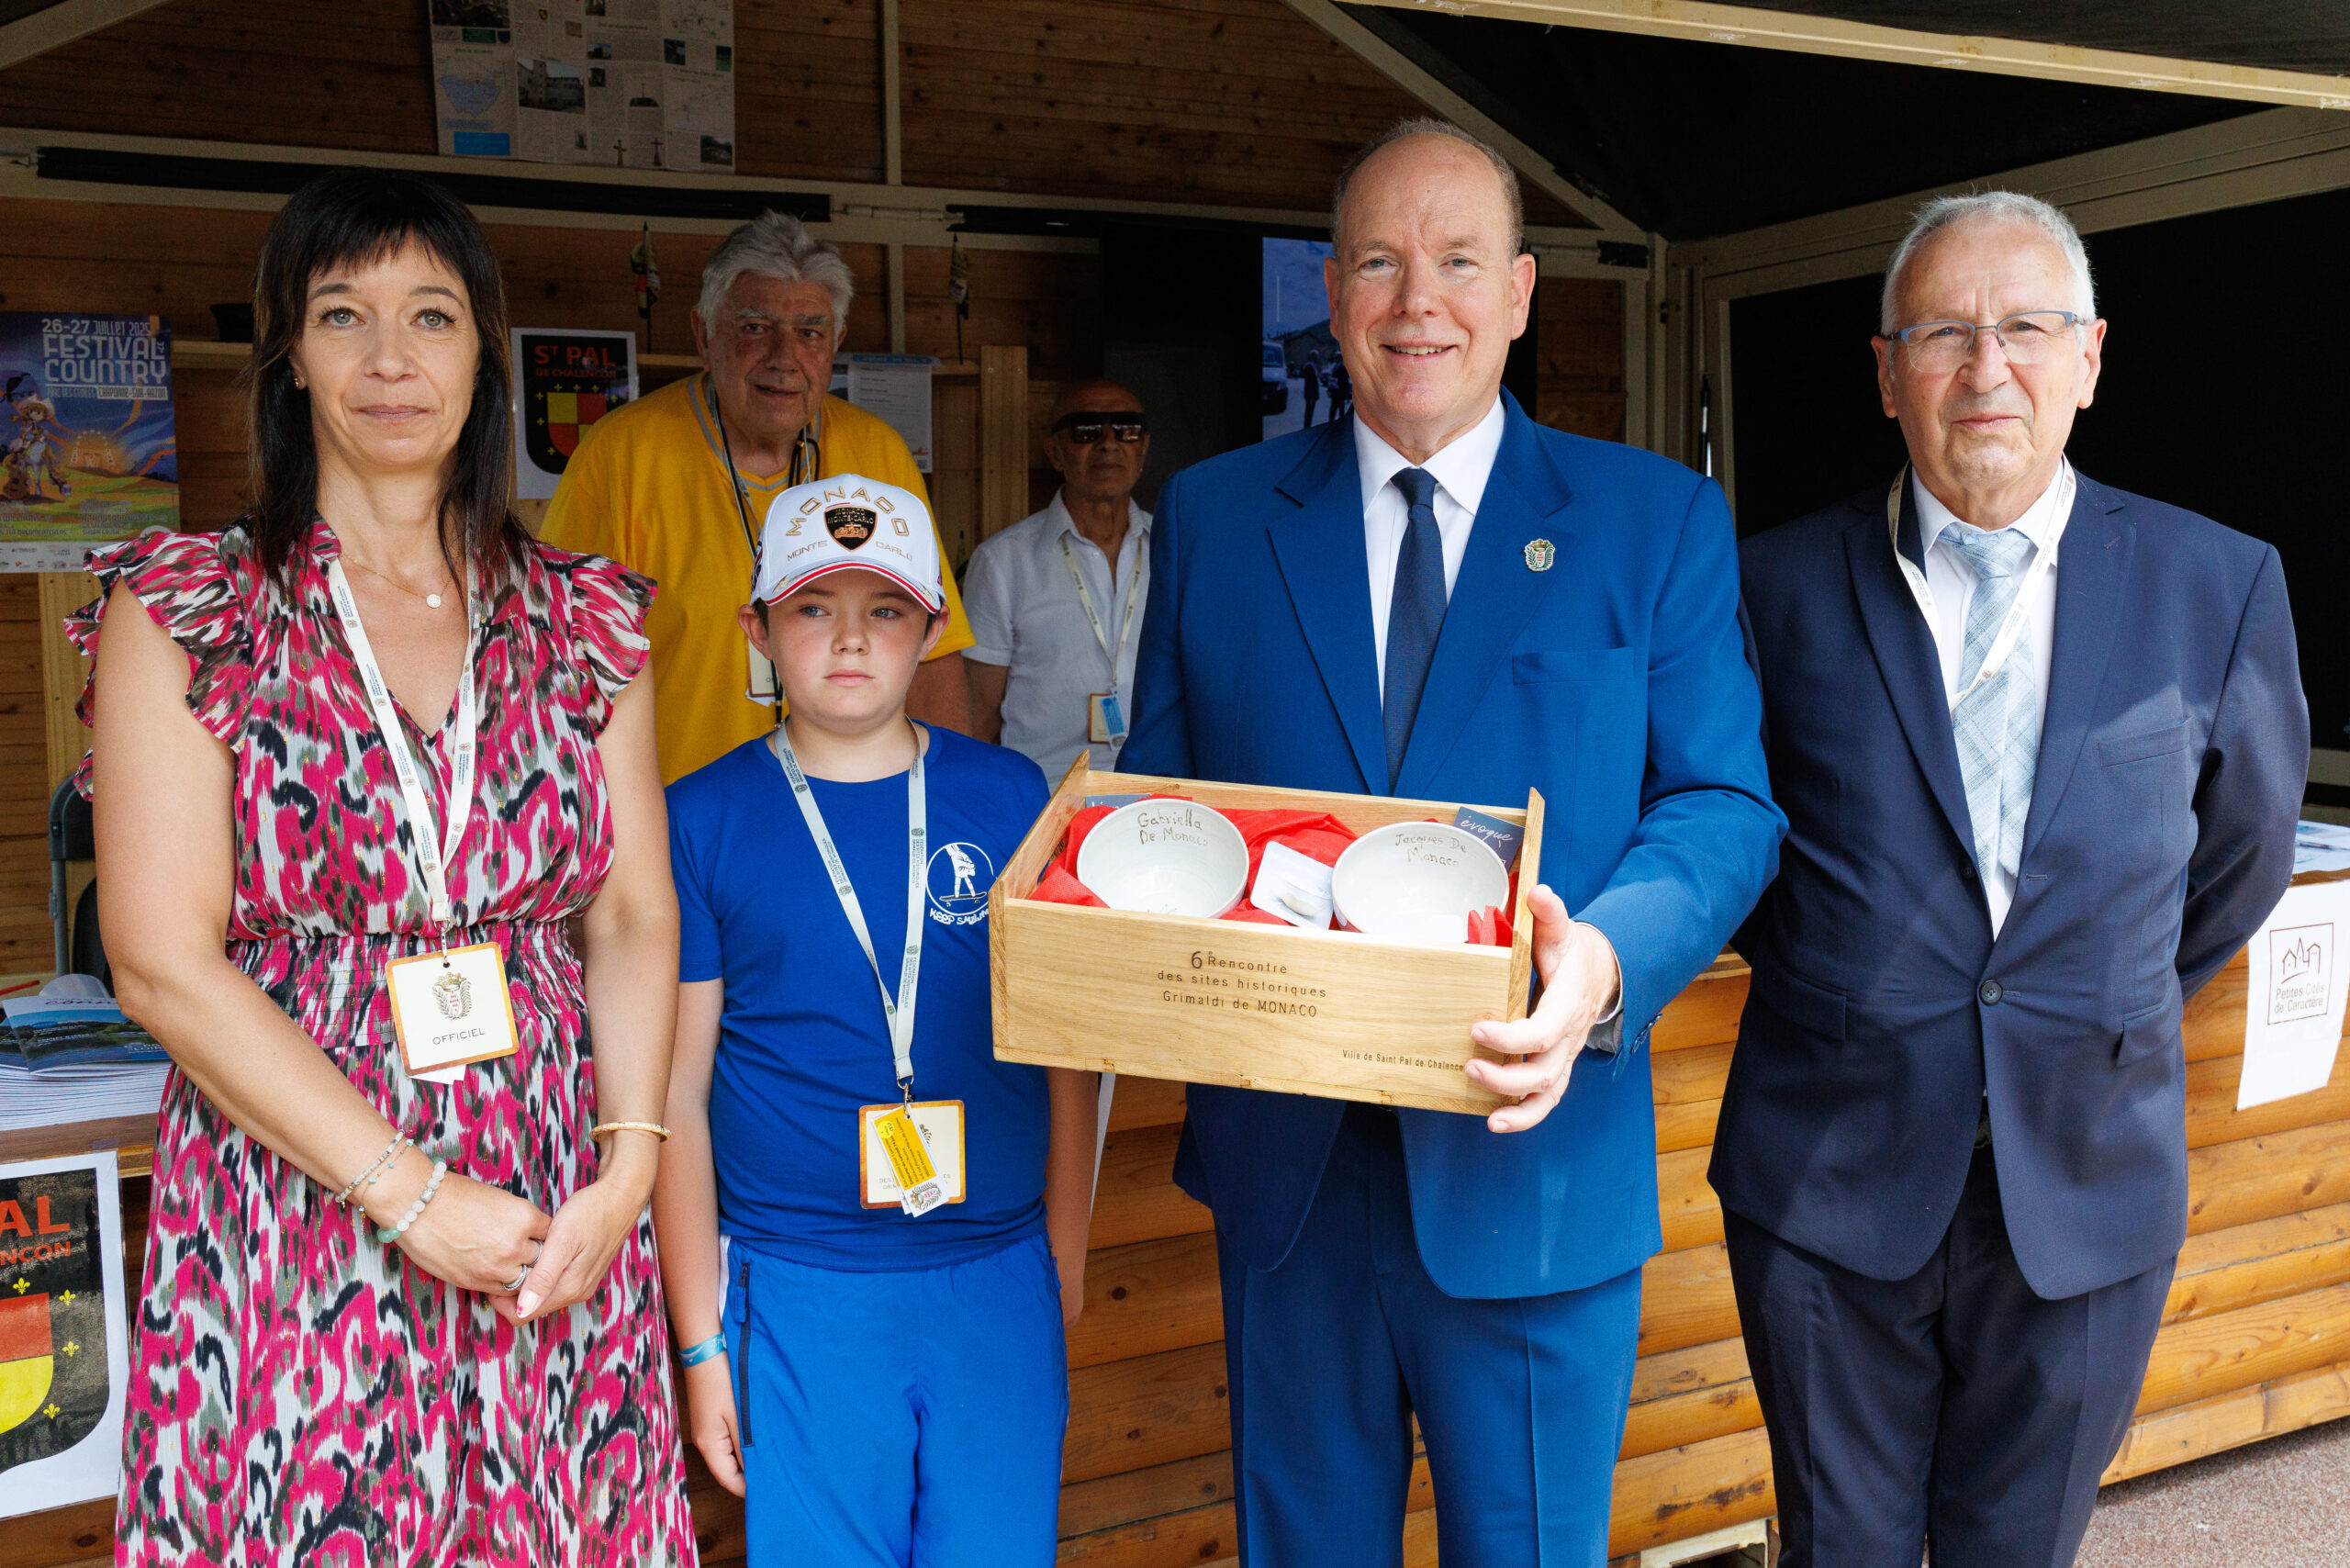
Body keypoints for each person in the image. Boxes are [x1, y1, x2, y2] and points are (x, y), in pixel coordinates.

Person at [1117, 118, 1782, 1566]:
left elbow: (1722, 807)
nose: (1419, 302)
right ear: (1331, 294)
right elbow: (1159, 807)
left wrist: (1600, 964)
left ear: (1523, 292)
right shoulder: (1215, 519)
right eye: (1378, 263)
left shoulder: (1654, 521)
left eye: (1461, 263)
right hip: (1290, 1179)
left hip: (1532, 1167)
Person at [82, 170, 693, 1564]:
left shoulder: (583, 619)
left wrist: (627, 1167)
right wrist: (411, 1196)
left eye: (431, 315)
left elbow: (633, 912)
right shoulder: (191, 609)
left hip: (553, 1211)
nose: (390, 359)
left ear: (484, 353)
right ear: (291, 357)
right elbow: (159, 961)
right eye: (342, 315)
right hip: (301, 1194)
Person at [1720, 191, 2304, 1568]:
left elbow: (2242, 854)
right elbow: (1735, 843)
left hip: (2087, 1180)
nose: (1987, 368)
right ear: (1886, 373)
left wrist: (2088, 998)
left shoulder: (2215, 584)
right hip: (1829, 1175)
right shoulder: (1768, 589)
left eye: (2027, 329)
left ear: (2089, 359)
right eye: (1944, 334)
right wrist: (1855, 988)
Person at [654, 474, 1099, 1563]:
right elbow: (675, 1093)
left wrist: (1068, 1249)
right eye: (812, 607)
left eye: (884, 609)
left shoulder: (1011, 796)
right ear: (756, 630)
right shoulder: (699, 816)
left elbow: (1069, 1051)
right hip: (797, 1275)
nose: (850, 638)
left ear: (932, 631)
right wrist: (701, 1343)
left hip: (998, 1264)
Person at [542, 210, 977, 784]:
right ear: (704, 334)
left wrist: (946, 797)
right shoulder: (621, 453)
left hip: (854, 801)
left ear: (836, 343)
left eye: (810, 333)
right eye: (754, 327)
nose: (784, 357)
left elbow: (933, 653)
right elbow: (560, 663)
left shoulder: (878, 451)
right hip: (677, 811)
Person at [962, 379, 1152, 777]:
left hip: (1158, 792)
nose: (1108, 442)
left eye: (1127, 429)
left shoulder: (1174, 550)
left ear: (1143, 447)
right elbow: (978, 712)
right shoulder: (1002, 561)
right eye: (1086, 429)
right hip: (1044, 791)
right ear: (1055, 452)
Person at [1300, 353, 1321, 427]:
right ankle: (1307, 427)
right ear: (1313, 357)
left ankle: (1307, 426)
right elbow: (1310, 383)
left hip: (1312, 394)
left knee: (1310, 412)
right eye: (1317, 356)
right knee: (1309, 412)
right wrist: (1311, 396)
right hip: (1310, 394)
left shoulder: (1313, 366)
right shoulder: (1310, 366)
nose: (1318, 358)